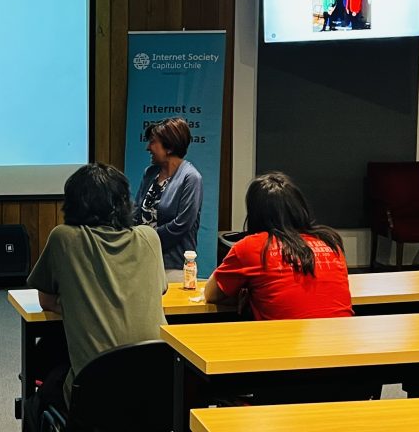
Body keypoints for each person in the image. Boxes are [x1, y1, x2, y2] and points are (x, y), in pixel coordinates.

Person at [24, 163, 166, 431]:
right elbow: (158, 290)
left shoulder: (64, 238)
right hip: (157, 391)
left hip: (93, 397)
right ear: (125, 203)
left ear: (73, 204)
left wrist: (81, 305)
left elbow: (45, 301)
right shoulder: (150, 237)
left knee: (35, 399)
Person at [204, 171, 351, 320]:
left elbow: (210, 294)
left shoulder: (250, 247)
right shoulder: (330, 242)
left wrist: (249, 293)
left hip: (284, 335)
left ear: (255, 213)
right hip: (342, 333)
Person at [131, 117, 203, 281]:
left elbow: (181, 224)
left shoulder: (191, 178)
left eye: (152, 142)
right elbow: (136, 212)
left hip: (172, 266)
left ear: (169, 147)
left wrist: (147, 241)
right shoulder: (150, 173)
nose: (148, 148)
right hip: (141, 260)